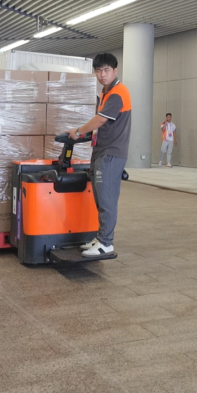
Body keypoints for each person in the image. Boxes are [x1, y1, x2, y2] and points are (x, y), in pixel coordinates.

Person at [66, 53, 131, 257]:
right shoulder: (105, 92)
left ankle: (106, 243)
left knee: (107, 200)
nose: (102, 74)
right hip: (101, 151)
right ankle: (101, 237)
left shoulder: (118, 93)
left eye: (106, 70)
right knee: (100, 199)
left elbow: (101, 120)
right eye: (98, 70)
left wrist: (78, 131)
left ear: (115, 71)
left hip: (111, 153)